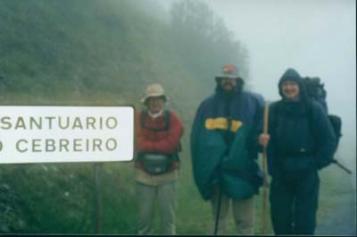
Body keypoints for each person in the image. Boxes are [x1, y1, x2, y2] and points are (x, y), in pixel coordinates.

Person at [259, 68, 337, 235]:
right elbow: (258, 138)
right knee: (280, 219)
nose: (289, 88)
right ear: (280, 88)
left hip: (306, 173)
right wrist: (259, 140)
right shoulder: (273, 110)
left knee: (305, 220)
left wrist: (315, 164)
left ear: (300, 86)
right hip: (280, 173)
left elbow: (328, 140)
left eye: (292, 84)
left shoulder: (313, 109)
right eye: (285, 84)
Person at [191, 64, 265, 235]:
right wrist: (210, 165)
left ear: (238, 80)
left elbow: (259, 131)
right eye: (224, 78)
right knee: (218, 222)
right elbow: (199, 139)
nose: (228, 82)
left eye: (231, 79)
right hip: (217, 172)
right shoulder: (207, 105)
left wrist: (260, 140)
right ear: (219, 80)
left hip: (243, 170)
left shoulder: (252, 102)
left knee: (245, 223)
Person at [134, 83, 184, 235]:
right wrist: (159, 144)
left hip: (168, 175)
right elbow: (138, 142)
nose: (155, 102)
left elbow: (171, 144)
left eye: (158, 99)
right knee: (144, 220)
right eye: (151, 99)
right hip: (143, 175)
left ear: (163, 101)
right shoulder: (138, 118)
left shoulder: (173, 119)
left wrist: (149, 145)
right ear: (147, 102)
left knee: (168, 220)